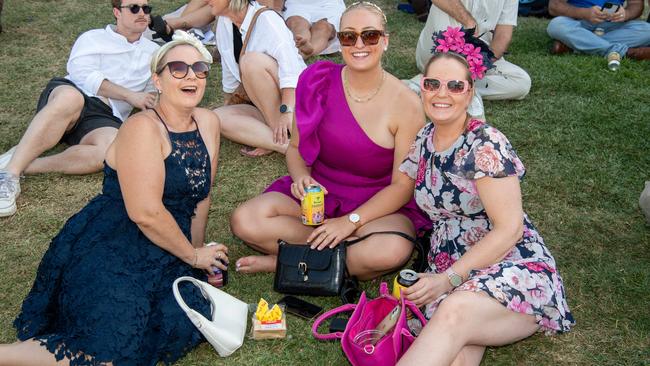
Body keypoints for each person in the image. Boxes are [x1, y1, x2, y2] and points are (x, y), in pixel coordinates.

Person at [0, 31, 227, 365]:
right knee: (111, 352)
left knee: (178, 318)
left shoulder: (208, 122)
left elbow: (202, 195)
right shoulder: (141, 128)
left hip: (167, 246)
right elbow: (145, 212)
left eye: (199, 68)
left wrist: (197, 252)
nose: (191, 75)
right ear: (157, 80)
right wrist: (193, 257)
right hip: (115, 243)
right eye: (178, 68)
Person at [396, 51, 574, 365]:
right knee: (456, 349)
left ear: (470, 92)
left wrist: (448, 280)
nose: (441, 93)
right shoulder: (423, 140)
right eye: (433, 83)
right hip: (451, 270)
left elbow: (510, 230)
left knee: (455, 309)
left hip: (511, 267)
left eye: (454, 86)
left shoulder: (485, 144)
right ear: (422, 87)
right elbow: (399, 190)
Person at [229, 2, 429, 278]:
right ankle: (333, 260)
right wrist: (300, 177)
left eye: (369, 35)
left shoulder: (408, 105)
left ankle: (286, 263)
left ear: (384, 41)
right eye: (349, 36)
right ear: (340, 41)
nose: (359, 44)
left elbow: (401, 187)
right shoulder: (318, 80)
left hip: (376, 208)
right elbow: (297, 148)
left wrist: (350, 222)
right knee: (245, 220)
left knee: (391, 249)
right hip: (319, 199)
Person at [0, 0, 160, 217]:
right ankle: (10, 176)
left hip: (105, 116)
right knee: (70, 99)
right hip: (74, 93)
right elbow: (82, 74)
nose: (142, 13)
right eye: (134, 8)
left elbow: (155, 93)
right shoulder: (93, 38)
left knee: (110, 152)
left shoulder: (154, 53)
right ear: (116, 12)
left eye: (146, 9)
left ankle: (25, 163)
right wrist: (130, 95)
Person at [208, 0, 306, 157]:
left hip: (296, 101)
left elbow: (292, 71)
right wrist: (229, 106)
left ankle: (282, 133)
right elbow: (229, 74)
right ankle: (284, 145)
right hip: (265, 105)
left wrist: (286, 109)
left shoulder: (266, 19)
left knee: (250, 62)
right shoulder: (224, 24)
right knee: (217, 117)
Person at [406, 0, 531, 106]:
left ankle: (435, 84)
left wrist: (485, 62)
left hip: (476, 55)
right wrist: (468, 21)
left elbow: (503, 35)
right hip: (438, 49)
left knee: (522, 82)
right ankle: (453, 83)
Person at [547, 0, 650, 70]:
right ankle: (626, 52)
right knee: (556, 25)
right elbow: (554, 6)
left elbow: (636, 5)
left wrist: (626, 14)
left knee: (647, 30)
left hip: (614, 25)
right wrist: (584, 13)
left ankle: (573, 45)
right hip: (578, 22)